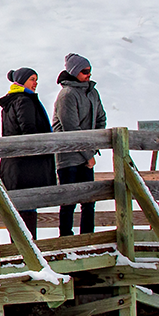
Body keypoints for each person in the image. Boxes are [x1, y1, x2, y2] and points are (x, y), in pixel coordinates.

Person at [51, 53, 107, 236]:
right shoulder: (66, 95)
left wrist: (93, 147)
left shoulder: (92, 92)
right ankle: (66, 238)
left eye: (89, 70)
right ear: (74, 72)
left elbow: (101, 118)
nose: (88, 74)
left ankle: (87, 237)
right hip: (68, 157)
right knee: (69, 200)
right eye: (84, 71)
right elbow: (71, 129)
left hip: (86, 155)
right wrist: (89, 155)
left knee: (89, 200)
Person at [0, 68, 55, 235]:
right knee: (27, 209)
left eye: (36, 79)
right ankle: (28, 252)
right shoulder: (24, 100)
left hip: (15, 165)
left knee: (20, 211)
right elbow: (29, 131)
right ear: (22, 81)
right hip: (26, 166)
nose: (35, 83)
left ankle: (23, 251)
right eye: (32, 79)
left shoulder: (11, 101)